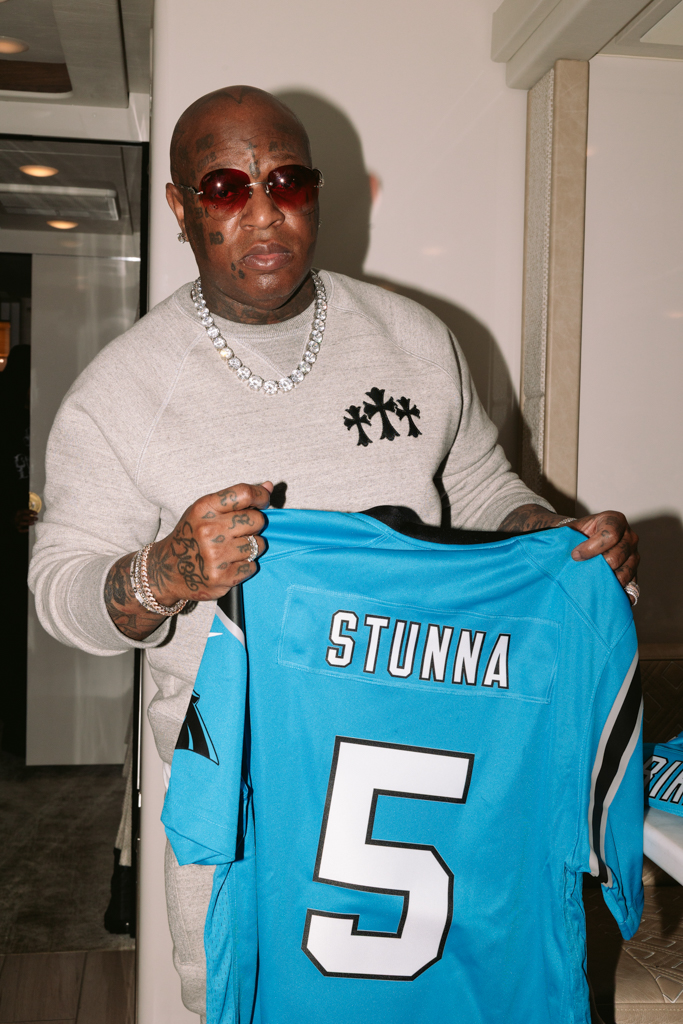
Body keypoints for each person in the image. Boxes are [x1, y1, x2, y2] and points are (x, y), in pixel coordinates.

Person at [28, 86, 639, 1019]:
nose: (264, 212)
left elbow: (480, 484)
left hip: (442, 767)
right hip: (255, 807)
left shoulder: (414, 338)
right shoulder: (123, 392)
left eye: (288, 182)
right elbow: (59, 591)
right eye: (226, 188)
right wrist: (166, 572)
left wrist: (551, 539)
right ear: (181, 208)